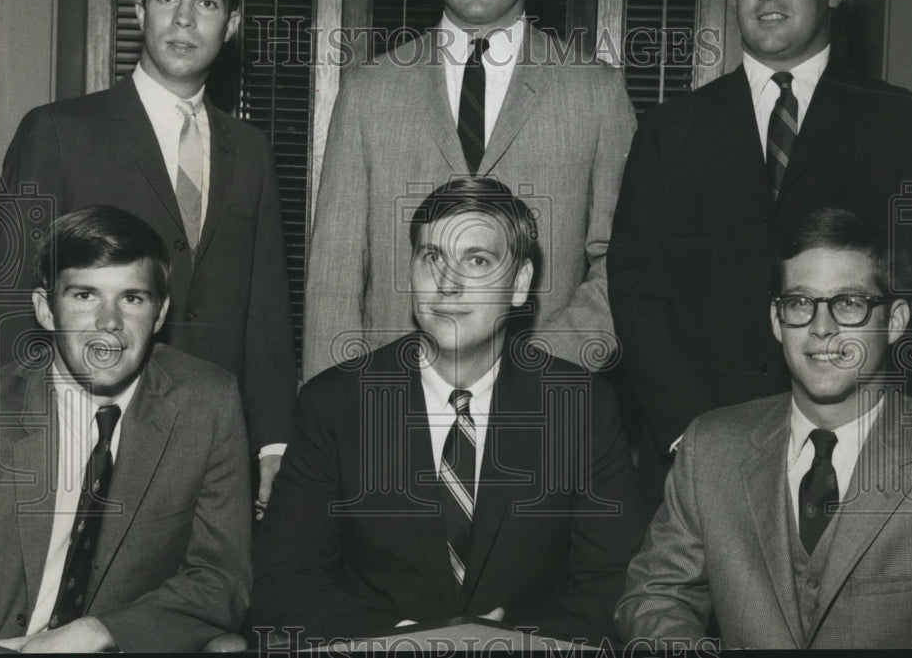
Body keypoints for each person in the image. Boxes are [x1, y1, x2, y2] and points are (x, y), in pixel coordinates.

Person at [608, 0, 912, 481]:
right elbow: (637, 293)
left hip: (860, 445)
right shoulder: (671, 129)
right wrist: (691, 434)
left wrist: (886, 436)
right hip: (702, 443)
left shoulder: (901, 122)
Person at [0, 0, 296, 510]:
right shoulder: (57, 132)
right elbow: (9, 299)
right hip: (81, 435)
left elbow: (267, 312)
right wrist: (5, 442)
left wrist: (273, 441)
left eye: (207, 1)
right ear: (138, 11)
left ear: (231, 26)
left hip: (210, 445)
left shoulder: (250, 151)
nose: (184, 18)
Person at [251, 177, 643, 646]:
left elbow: (617, 582)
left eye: (477, 260)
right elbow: (281, 580)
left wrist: (511, 642)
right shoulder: (337, 403)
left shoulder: (579, 407)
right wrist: (412, 641)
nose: (447, 283)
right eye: (432, 257)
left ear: (519, 284)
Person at [304, 0, 637, 381]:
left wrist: (544, 367)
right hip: (393, 406)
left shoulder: (595, 93)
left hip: (543, 408)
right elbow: (334, 278)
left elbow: (625, 266)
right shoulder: (369, 91)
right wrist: (332, 419)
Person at [614, 208, 912, 649]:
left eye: (849, 303)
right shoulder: (710, 448)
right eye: (800, 303)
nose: (821, 329)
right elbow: (654, 597)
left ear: (895, 321)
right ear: (776, 320)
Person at [0, 206, 251, 653]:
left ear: (159, 315)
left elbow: (221, 581)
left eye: (132, 298)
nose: (109, 322)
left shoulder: (206, 403)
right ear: (46, 311)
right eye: (85, 296)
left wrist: (96, 632)